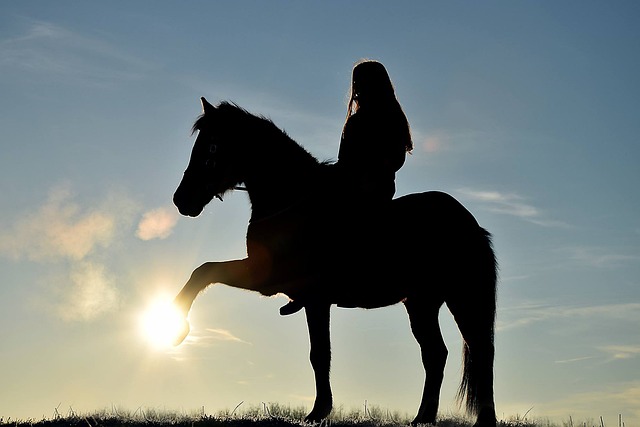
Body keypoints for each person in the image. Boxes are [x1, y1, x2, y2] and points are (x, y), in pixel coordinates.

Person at [279, 60, 413, 316]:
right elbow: (344, 161)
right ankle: (303, 284)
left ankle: (336, 283)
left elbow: (396, 157)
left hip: (375, 189)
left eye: (361, 82)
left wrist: (368, 171)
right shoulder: (355, 121)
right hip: (351, 184)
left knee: (337, 224)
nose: (358, 88)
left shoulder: (387, 117)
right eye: (356, 83)